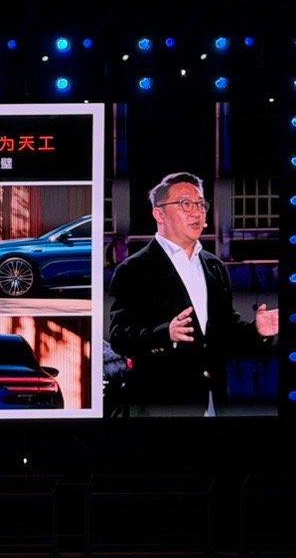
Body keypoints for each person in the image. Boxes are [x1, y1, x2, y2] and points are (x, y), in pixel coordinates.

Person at [107, 171, 278, 416]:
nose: (197, 212)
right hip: (160, 406)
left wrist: (257, 330)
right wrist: (165, 334)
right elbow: (119, 337)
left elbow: (224, 333)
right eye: (186, 204)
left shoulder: (214, 266)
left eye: (200, 204)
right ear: (159, 214)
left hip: (213, 402)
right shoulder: (134, 269)